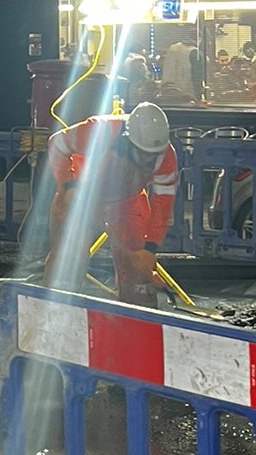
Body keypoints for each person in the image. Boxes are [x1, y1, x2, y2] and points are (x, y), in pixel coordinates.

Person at [45, 102, 180, 308]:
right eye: (143, 154)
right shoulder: (101, 132)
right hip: (82, 196)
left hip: (127, 202)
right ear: (127, 141)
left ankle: (136, 318)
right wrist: (69, 186)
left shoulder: (166, 157)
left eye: (153, 155)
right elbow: (57, 144)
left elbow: (162, 207)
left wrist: (149, 250)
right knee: (67, 261)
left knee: (137, 278)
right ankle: (54, 312)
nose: (149, 160)